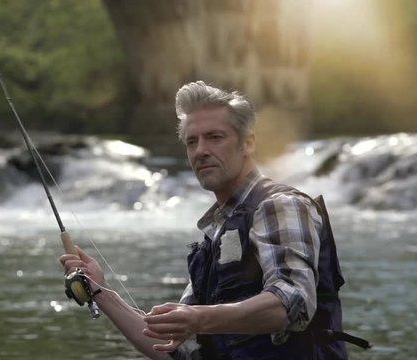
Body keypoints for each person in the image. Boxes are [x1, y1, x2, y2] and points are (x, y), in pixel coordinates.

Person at [60, 81, 358, 359]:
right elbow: (172, 347)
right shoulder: (215, 235)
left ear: (248, 143)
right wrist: (100, 291)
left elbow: (293, 303)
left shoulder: (280, 205)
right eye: (192, 142)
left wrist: (199, 318)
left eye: (214, 137)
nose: (201, 150)